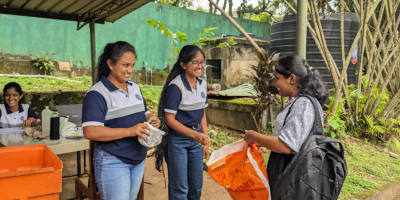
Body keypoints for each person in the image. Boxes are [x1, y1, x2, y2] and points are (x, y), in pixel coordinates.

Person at [82, 41, 161, 200]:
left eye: (132, 65)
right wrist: (129, 131)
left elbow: (143, 111)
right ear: (110, 64)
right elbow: (90, 131)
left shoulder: (134, 88)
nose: (130, 70)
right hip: (113, 160)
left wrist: (150, 118)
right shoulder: (97, 94)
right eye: (125, 65)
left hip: (137, 158)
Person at [243, 55, 328, 191]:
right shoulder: (298, 101)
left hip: (291, 173)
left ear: (292, 79)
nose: (275, 84)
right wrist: (262, 142)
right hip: (290, 171)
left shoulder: (303, 104)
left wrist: (253, 136)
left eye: (277, 78)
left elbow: (285, 146)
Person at [155, 45, 210, 200]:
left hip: (196, 141)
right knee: (180, 189)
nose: (199, 66)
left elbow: (202, 113)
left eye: (202, 62)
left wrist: (204, 139)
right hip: (178, 141)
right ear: (183, 64)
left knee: (196, 186)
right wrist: (195, 135)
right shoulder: (176, 87)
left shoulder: (202, 85)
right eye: (195, 62)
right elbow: (169, 120)